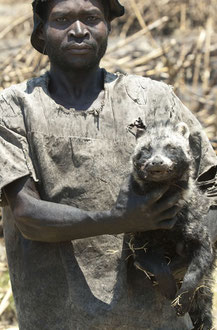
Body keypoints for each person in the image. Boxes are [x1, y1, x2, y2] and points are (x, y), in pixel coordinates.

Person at [0, 0, 217, 329]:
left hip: (160, 320)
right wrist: (121, 219)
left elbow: (211, 187)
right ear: (41, 31)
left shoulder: (151, 98)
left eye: (92, 18)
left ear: (108, 27)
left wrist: (183, 263)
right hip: (60, 318)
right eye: (62, 19)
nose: (78, 30)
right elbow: (28, 216)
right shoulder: (15, 109)